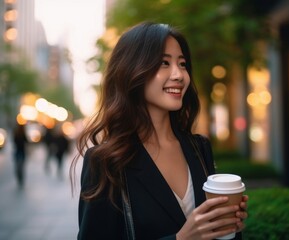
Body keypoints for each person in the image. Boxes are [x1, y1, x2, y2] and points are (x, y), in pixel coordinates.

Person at [70, 22, 248, 240]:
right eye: (164, 63)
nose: (179, 75)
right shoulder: (106, 161)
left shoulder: (199, 147)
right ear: (132, 71)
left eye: (182, 64)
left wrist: (230, 226)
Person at [13, 123, 28, 188]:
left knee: (18, 167)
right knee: (21, 167)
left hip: (19, 152)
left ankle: (20, 178)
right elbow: (27, 142)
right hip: (21, 152)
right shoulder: (21, 134)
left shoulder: (17, 134)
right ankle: (20, 178)